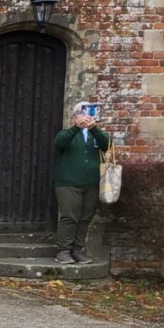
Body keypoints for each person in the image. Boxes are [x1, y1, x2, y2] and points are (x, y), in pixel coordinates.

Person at [52, 102, 110, 264]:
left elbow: (107, 145)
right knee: (69, 217)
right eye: (81, 113)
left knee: (85, 218)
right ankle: (63, 250)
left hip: (92, 182)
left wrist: (94, 128)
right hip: (68, 182)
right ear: (75, 115)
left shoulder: (96, 135)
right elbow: (59, 143)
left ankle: (78, 250)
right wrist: (76, 127)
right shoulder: (68, 133)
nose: (86, 117)